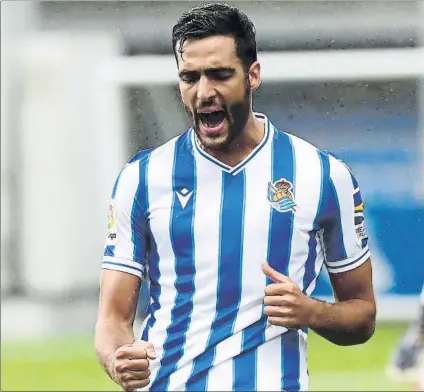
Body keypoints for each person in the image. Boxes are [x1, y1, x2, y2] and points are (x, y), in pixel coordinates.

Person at [94, 3, 376, 391]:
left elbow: (362, 316)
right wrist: (117, 359)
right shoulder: (141, 178)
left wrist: (311, 312)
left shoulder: (323, 176)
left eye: (220, 75)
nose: (204, 91)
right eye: (190, 77)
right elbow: (112, 321)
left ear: (253, 75)